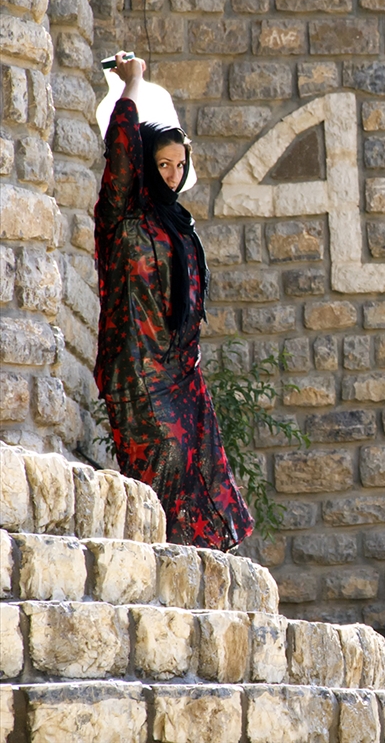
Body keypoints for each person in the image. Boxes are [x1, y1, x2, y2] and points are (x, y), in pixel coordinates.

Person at [94, 51, 254, 550]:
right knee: (164, 451)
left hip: (181, 370)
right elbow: (120, 143)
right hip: (135, 370)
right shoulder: (122, 215)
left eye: (178, 166)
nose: (171, 175)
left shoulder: (178, 225)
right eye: (161, 164)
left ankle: (195, 558)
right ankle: (156, 555)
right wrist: (133, 83)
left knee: (202, 461)